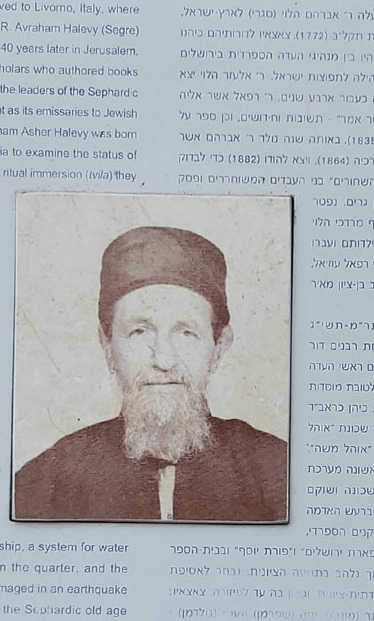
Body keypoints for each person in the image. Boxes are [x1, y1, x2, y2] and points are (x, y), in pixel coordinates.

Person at [14, 224, 287, 522]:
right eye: (139, 331)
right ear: (107, 345)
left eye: (186, 333)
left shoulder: (275, 470)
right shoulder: (48, 481)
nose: (164, 360)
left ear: (219, 348)